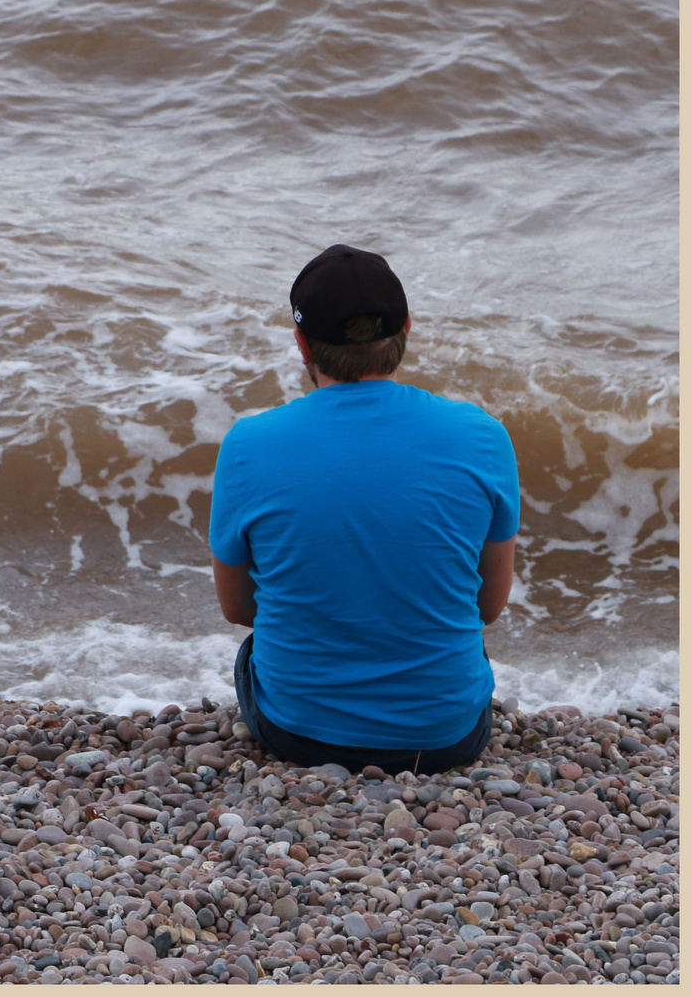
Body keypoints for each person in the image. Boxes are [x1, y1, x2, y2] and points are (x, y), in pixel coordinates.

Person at [209, 244, 519, 775]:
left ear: (302, 343)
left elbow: (239, 610)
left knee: (255, 652)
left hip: (298, 732)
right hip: (445, 737)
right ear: (407, 328)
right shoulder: (482, 436)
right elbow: (487, 608)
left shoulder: (249, 443)